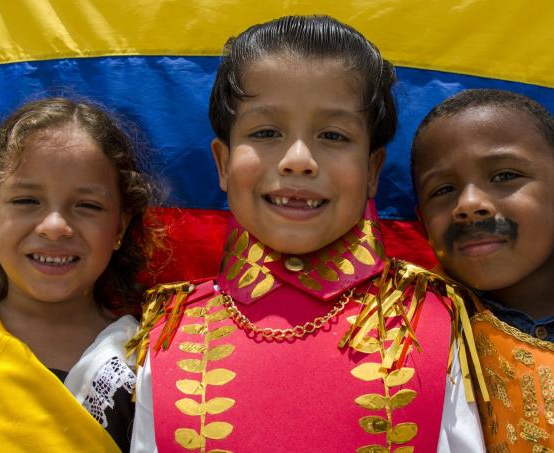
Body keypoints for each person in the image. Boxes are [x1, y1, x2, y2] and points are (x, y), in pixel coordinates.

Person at [128, 16, 485, 452]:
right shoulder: (170, 333)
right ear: (222, 163)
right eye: (266, 132)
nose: (298, 159)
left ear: (372, 171)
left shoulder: (428, 323)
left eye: (332, 135)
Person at [0, 98, 159, 452]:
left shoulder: (151, 361)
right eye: (27, 201)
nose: (54, 226)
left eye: (88, 206)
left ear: (120, 228)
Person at [412, 88, 554, 452]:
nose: (470, 203)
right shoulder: (408, 338)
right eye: (443, 189)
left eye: (505, 175)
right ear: (423, 222)